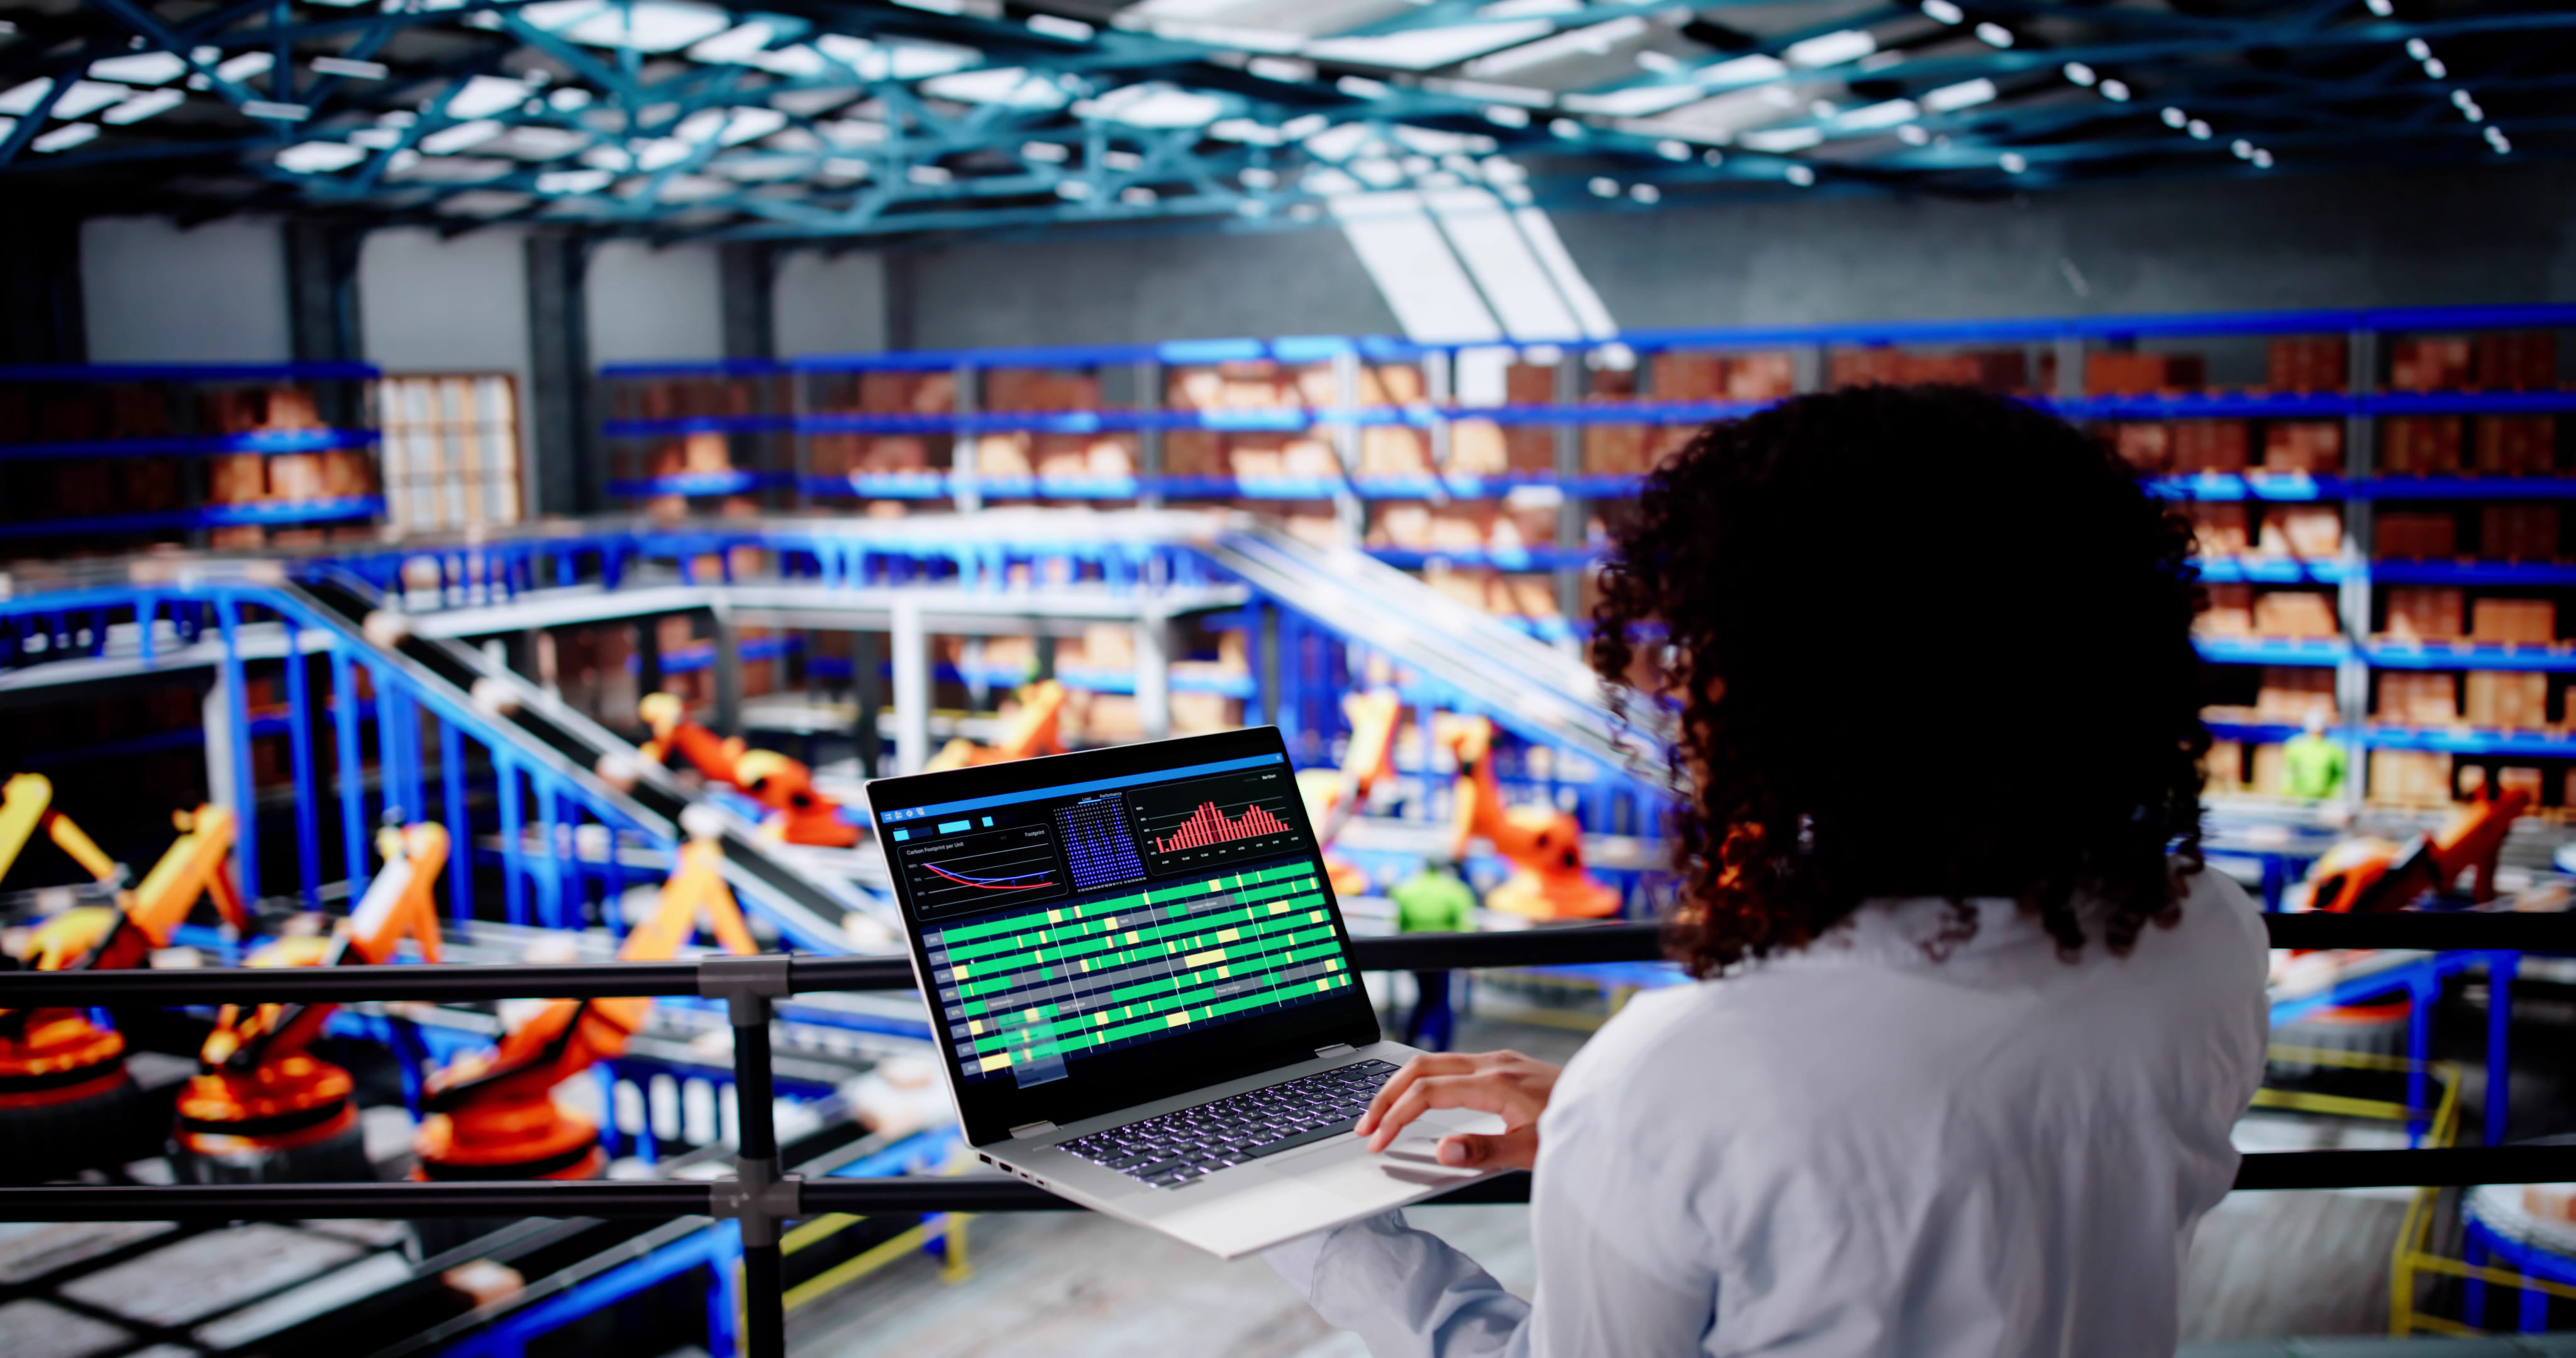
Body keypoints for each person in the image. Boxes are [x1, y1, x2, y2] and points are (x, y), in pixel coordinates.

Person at [1267, 386, 2272, 1356]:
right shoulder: (2209, 940)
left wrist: (1314, 1229)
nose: (1682, 693)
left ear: (1799, 700)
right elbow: (1948, 1134)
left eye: (1702, 651)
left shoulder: (1679, 1081)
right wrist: (1626, 1133)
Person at [1389, 863, 1479, 1051]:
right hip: (1443, 951)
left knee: (1424, 997)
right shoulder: (1455, 889)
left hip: (1415, 950)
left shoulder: (1406, 888)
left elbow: (1401, 924)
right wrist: (1467, 958)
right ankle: (1441, 1049)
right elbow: (1463, 926)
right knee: (1441, 1000)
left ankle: (1410, 1041)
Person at [2282, 703, 2347, 800]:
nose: (2316, 732)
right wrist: (2288, 794)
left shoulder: (2334, 747)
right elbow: (2289, 772)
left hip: (2326, 800)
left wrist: (2336, 797)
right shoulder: (2295, 745)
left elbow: (2340, 775)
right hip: (2301, 799)